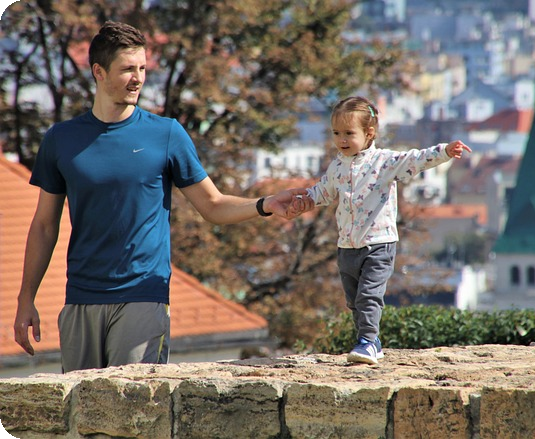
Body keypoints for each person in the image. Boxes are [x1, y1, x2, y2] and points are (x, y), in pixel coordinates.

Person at [13, 21, 312, 373]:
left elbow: (212, 205)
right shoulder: (61, 139)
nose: (138, 78)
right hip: (80, 297)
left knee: (131, 402)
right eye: (128, 69)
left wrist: (265, 204)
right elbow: (44, 226)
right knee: (79, 406)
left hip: (143, 296)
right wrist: (26, 298)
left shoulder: (166, 134)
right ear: (99, 72)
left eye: (142, 68)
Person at [293, 96, 472, 365]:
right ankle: (370, 341)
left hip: (379, 244)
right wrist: (305, 200)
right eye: (336, 133)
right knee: (354, 301)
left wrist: (445, 151)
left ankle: (367, 341)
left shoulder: (384, 162)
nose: (341, 140)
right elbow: (323, 191)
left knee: (369, 296)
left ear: (369, 133)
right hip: (347, 246)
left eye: (348, 133)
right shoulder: (337, 165)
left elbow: (416, 159)